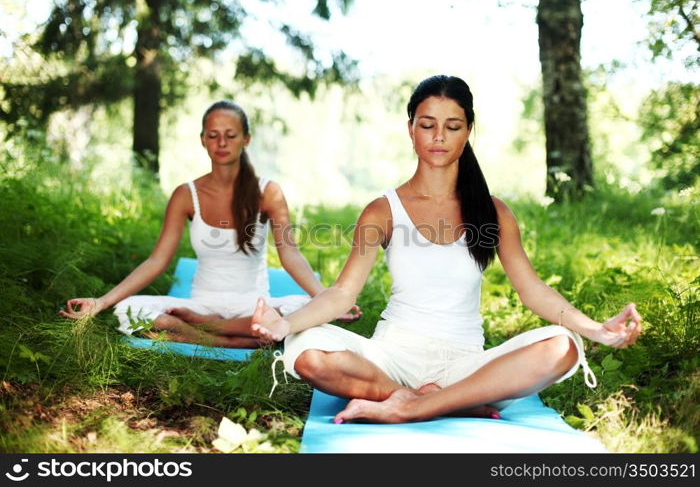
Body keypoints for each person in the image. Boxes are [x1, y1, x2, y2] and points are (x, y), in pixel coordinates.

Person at [250, 75, 642, 422]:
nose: (439, 137)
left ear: (468, 130)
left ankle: (412, 407)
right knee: (307, 353)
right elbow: (340, 294)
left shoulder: (493, 212)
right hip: (392, 359)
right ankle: (433, 401)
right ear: (411, 130)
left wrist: (595, 330)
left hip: (467, 365)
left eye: (452, 126)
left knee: (561, 347)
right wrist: (285, 325)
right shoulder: (383, 210)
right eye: (427, 125)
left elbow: (532, 290)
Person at [60, 100, 360, 347]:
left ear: (246, 139)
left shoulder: (268, 192)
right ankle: (238, 337)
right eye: (213, 135)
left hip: (254, 305)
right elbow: (156, 261)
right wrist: (101, 302)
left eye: (230, 135)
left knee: (299, 310)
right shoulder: (186, 195)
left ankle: (200, 333)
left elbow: (290, 254)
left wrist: (327, 299)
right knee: (127, 309)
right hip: (201, 306)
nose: (221, 143)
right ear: (203, 139)